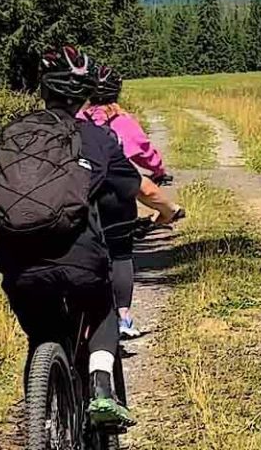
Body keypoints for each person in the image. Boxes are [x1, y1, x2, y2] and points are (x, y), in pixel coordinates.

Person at [0, 46, 139, 429]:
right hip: (79, 258)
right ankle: (102, 387)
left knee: (41, 337)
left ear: (43, 89)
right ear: (85, 94)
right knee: (101, 306)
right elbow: (129, 188)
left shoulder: (10, 136)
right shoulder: (96, 138)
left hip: (19, 263)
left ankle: (42, 415)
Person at [79, 64, 184, 339]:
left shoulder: (78, 119)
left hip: (81, 194)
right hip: (116, 196)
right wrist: (159, 172)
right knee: (121, 252)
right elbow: (147, 153)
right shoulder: (123, 121)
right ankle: (123, 315)